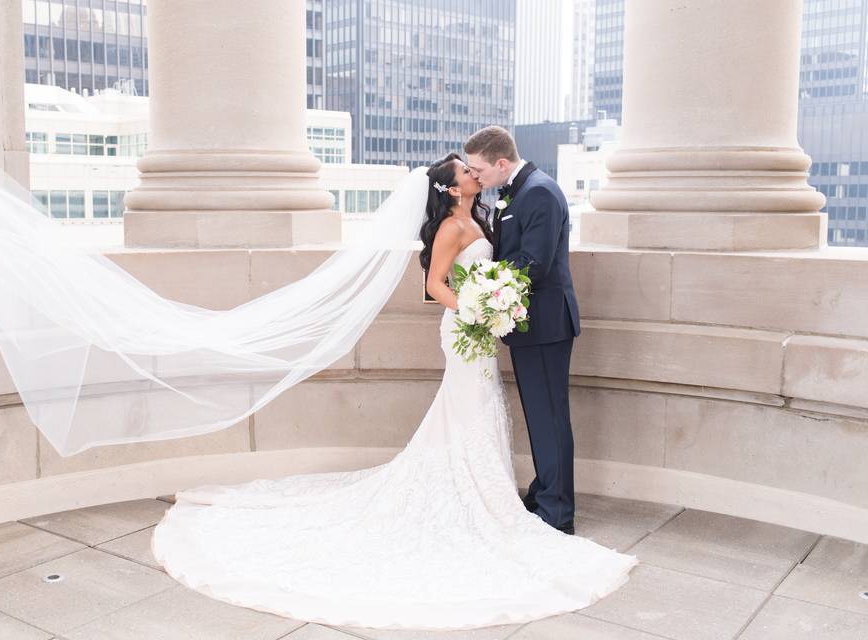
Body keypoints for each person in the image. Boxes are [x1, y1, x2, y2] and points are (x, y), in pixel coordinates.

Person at [151, 154, 635, 629]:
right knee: (470, 407)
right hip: (467, 329)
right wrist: (474, 309)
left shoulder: (482, 216)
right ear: (449, 188)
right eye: (466, 172)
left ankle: (491, 490)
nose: (472, 174)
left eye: (475, 168)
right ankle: (477, 493)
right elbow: (433, 283)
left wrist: (491, 304)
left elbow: (504, 263)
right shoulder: (450, 227)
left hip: (484, 330)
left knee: (480, 409)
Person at [466, 126, 581, 536]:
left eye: (479, 169)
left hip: (547, 325)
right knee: (539, 415)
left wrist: (484, 290)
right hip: (531, 326)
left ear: (501, 163)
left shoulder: (539, 193)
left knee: (550, 417)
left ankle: (558, 512)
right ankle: (545, 490)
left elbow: (535, 262)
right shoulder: (520, 191)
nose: (475, 177)